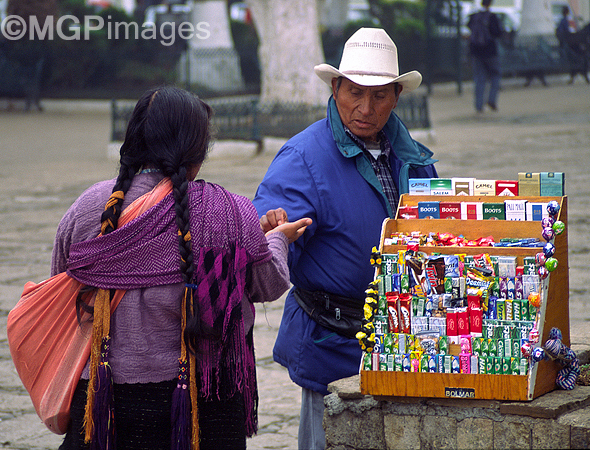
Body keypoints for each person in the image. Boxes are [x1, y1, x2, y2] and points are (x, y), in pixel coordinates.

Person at [52, 86, 311, 450]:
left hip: (103, 400)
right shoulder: (231, 213)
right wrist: (278, 240)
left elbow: (62, 286)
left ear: (134, 141)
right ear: (198, 150)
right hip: (205, 400)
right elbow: (267, 283)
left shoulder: (87, 207)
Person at [252, 28, 438, 450]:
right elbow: (263, 233)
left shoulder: (415, 158)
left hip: (406, 342)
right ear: (335, 88)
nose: (365, 108)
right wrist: (270, 227)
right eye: (354, 92)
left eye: (379, 96)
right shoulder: (303, 157)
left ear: (396, 96)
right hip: (331, 342)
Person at [467, 0, 503, 112]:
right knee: (495, 75)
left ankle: (478, 105)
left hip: (477, 53)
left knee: (479, 79)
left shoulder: (474, 17)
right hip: (490, 52)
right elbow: (498, 32)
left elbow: (469, 28)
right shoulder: (492, 17)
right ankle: (492, 99)